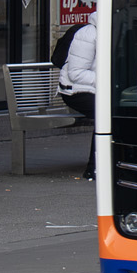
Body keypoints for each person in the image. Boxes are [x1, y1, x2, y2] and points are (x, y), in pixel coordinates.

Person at [59, 11, 98, 178]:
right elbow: (76, 73)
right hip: (75, 90)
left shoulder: (120, 30)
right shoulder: (88, 34)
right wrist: (110, 80)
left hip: (96, 88)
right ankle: (93, 168)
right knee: (106, 114)